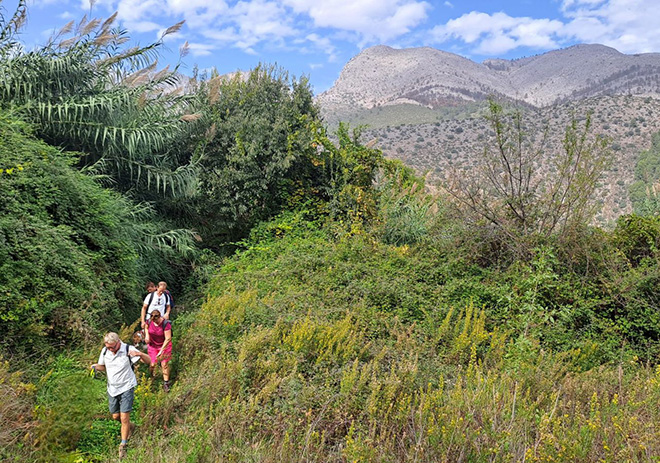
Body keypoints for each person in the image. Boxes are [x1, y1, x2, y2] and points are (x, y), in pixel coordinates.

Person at [90, 332, 150, 459]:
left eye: (112, 347)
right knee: (115, 416)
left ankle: (123, 446)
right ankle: (132, 427)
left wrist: (139, 354)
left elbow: (149, 361)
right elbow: (104, 366)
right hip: (112, 389)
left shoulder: (128, 349)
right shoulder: (105, 351)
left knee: (124, 418)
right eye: (108, 347)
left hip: (127, 387)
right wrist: (95, 367)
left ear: (118, 342)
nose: (111, 349)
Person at [144, 309, 173, 392]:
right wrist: (147, 336)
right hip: (153, 346)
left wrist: (161, 350)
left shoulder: (165, 324)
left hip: (165, 345)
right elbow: (146, 327)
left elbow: (168, 338)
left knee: (164, 364)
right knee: (153, 364)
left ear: (159, 317)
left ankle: (166, 383)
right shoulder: (149, 321)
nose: (155, 323)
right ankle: (152, 377)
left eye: (156, 321)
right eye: (153, 321)